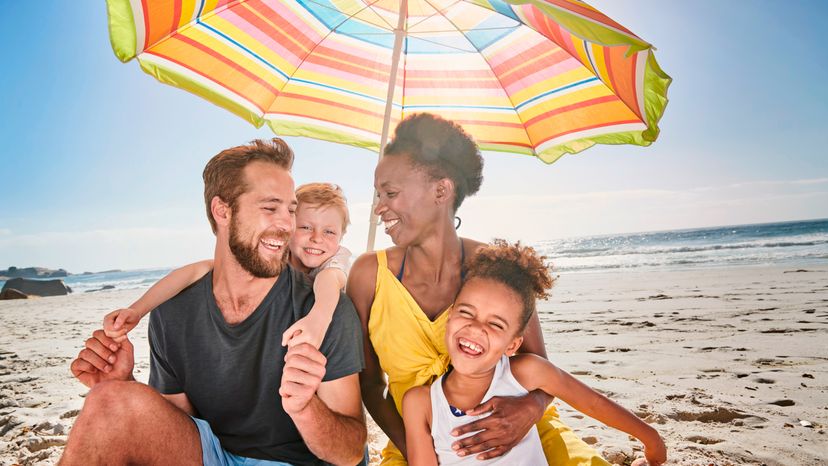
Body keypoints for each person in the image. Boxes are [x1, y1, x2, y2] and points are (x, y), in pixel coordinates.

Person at [61, 139, 366, 466]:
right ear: (222, 211)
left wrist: (306, 407)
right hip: (215, 455)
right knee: (108, 401)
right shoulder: (173, 311)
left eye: (291, 210)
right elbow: (178, 423)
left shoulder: (323, 310)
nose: (285, 224)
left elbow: (349, 453)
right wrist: (124, 388)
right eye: (269, 207)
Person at [347, 113, 608, 465]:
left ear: (441, 190)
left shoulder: (494, 266)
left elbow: (541, 367)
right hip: (414, 439)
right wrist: (420, 449)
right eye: (378, 194)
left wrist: (529, 410)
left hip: (516, 432)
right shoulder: (368, 274)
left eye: (390, 193)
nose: (379, 207)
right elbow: (371, 386)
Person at [402, 240, 667, 466]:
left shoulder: (525, 373)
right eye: (467, 313)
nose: (476, 328)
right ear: (449, 318)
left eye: (495, 324)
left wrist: (650, 439)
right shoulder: (421, 403)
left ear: (513, 345)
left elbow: (593, 403)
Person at [102, 182, 352, 349]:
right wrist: (137, 310)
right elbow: (199, 270)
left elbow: (328, 281)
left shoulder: (334, 260)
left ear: (341, 236)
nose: (317, 238)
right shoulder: (277, 253)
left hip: (322, 335)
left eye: (329, 232)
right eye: (306, 227)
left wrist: (318, 320)